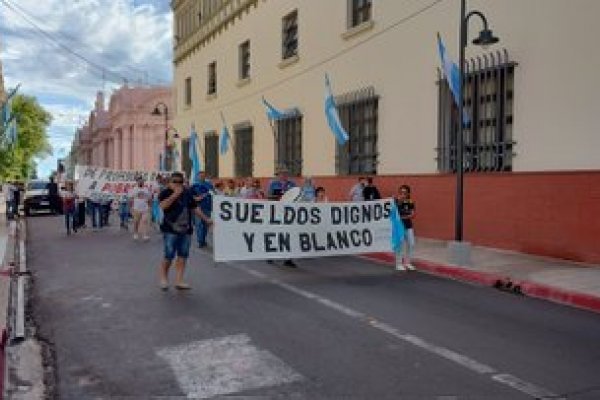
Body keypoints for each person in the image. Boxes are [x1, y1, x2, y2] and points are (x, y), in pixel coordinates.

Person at [158, 172, 212, 290]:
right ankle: (163, 278)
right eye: (175, 182)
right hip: (170, 229)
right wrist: (174, 195)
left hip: (186, 229)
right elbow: (162, 206)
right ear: (170, 182)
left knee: (183, 255)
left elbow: (194, 207)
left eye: (180, 182)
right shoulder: (165, 192)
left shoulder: (187, 192)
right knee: (169, 255)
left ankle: (179, 280)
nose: (178, 184)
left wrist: (206, 219)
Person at [267, 167, 297, 267]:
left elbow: (297, 196)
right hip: (276, 211)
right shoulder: (273, 184)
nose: (284, 175)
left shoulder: (292, 184)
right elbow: (269, 197)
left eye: (285, 173)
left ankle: (288, 258)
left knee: (289, 234)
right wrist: (278, 197)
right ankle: (270, 255)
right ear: (278, 175)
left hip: (288, 213)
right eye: (281, 174)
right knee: (275, 233)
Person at [395, 185, 416, 271]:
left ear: (408, 193)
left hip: (408, 225)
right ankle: (399, 264)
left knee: (411, 244)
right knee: (400, 245)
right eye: (401, 192)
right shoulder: (395, 201)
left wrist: (404, 217)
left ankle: (408, 263)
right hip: (399, 226)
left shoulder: (410, 202)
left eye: (405, 193)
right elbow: (393, 214)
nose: (403, 194)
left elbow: (413, 214)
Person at [190, 171, 214, 248]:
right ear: (197, 177)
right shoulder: (194, 185)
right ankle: (200, 241)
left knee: (206, 224)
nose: (201, 177)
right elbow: (190, 196)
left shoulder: (209, 185)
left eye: (203, 176)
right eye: (200, 176)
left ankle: (203, 240)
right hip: (198, 207)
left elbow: (214, 194)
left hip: (207, 206)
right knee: (199, 224)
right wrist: (196, 198)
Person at [130, 176, 152, 241]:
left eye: (142, 181)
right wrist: (131, 208)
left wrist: (150, 206)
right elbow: (131, 199)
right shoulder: (134, 189)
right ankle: (135, 233)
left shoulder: (146, 189)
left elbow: (150, 199)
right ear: (137, 182)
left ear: (143, 182)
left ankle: (145, 235)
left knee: (145, 221)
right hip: (136, 208)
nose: (141, 182)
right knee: (136, 222)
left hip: (145, 208)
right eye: (139, 181)